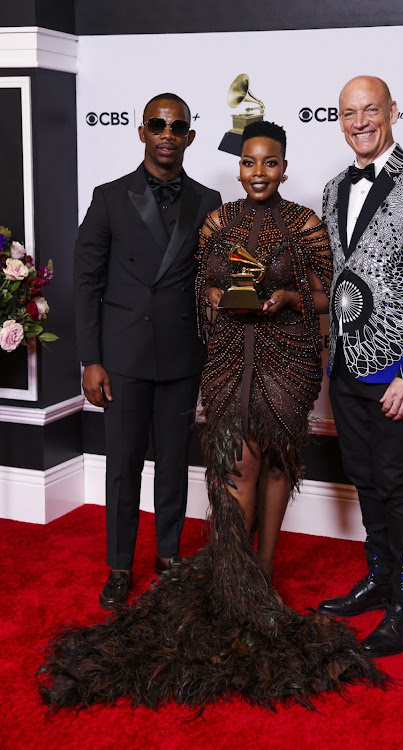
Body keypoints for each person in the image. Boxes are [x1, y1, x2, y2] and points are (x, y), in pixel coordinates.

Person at [38, 121, 387, 710]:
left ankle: (263, 572)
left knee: (277, 464)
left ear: (282, 164)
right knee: (233, 470)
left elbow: (334, 293)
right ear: (239, 165)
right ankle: (226, 575)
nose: (258, 172)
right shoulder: (216, 219)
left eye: (269, 163)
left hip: (287, 361)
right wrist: (215, 303)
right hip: (223, 361)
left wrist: (293, 298)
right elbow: (194, 288)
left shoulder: (302, 221)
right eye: (249, 163)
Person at [318, 76, 403, 658]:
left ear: (393, 112)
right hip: (345, 364)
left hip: (397, 369)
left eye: (370, 110)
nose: (359, 122)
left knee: (397, 481)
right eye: (349, 113)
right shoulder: (331, 189)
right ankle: (378, 578)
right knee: (364, 478)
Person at [74, 93, 221, 608]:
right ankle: (119, 565)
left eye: (176, 127)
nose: (166, 134)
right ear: (141, 132)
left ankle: (168, 557)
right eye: (157, 125)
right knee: (123, 465)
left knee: (175, 463)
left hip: (182, 354)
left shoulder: (208, 201)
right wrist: (90, 358)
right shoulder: (109, 196)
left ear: (189, 137)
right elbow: (86, 282)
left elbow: (213, 282)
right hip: (122, 355)